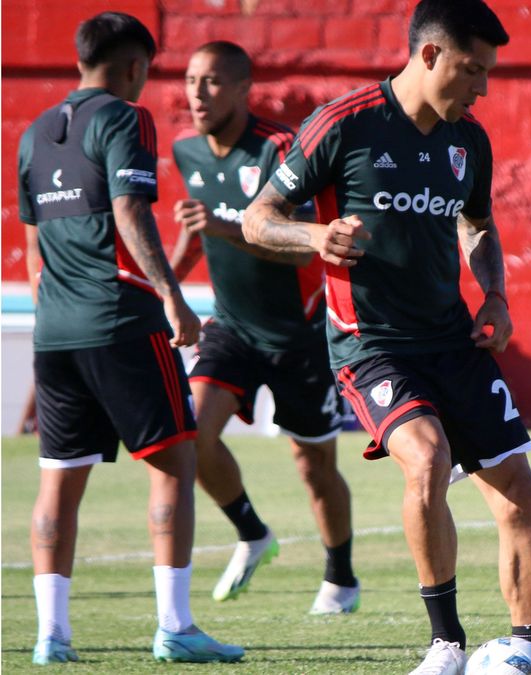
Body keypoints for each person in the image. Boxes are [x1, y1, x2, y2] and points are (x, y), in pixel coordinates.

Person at [243, 1, 531, 672]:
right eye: (473, 69)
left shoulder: (468, 139)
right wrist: (315, 236)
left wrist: (495, 292)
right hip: (372, 345)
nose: (483, 87)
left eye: (489, 73)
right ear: (430, 55)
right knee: (428, 456)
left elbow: (477, 225)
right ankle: (445, 644)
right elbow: (257, 220)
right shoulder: (343, 126)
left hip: (453, 340)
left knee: (519, 489)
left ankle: (529, 652)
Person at [16, 12, 243, 664]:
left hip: (55, 329)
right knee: (175, 460)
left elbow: (33, 250)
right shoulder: (125, 117)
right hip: (120, 318)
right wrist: (174, 297)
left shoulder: (33, 134)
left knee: (59, 479)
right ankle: (175, 625)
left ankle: (50, 636)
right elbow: (129, 209)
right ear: (135, 67)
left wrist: (57, 316)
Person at [169, 40, 360, 614]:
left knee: (315, 467)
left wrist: (225, 229)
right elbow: (193, 234)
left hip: (301, 337)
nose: (198, 94)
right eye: (191, 80)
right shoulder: (186, 153)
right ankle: (252, 532)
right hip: (230, 328)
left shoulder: (280, 148)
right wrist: (165, 288)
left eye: (213, 82)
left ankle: (341, 578)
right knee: (190, 435)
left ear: (243, 88)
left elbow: (303, 251)